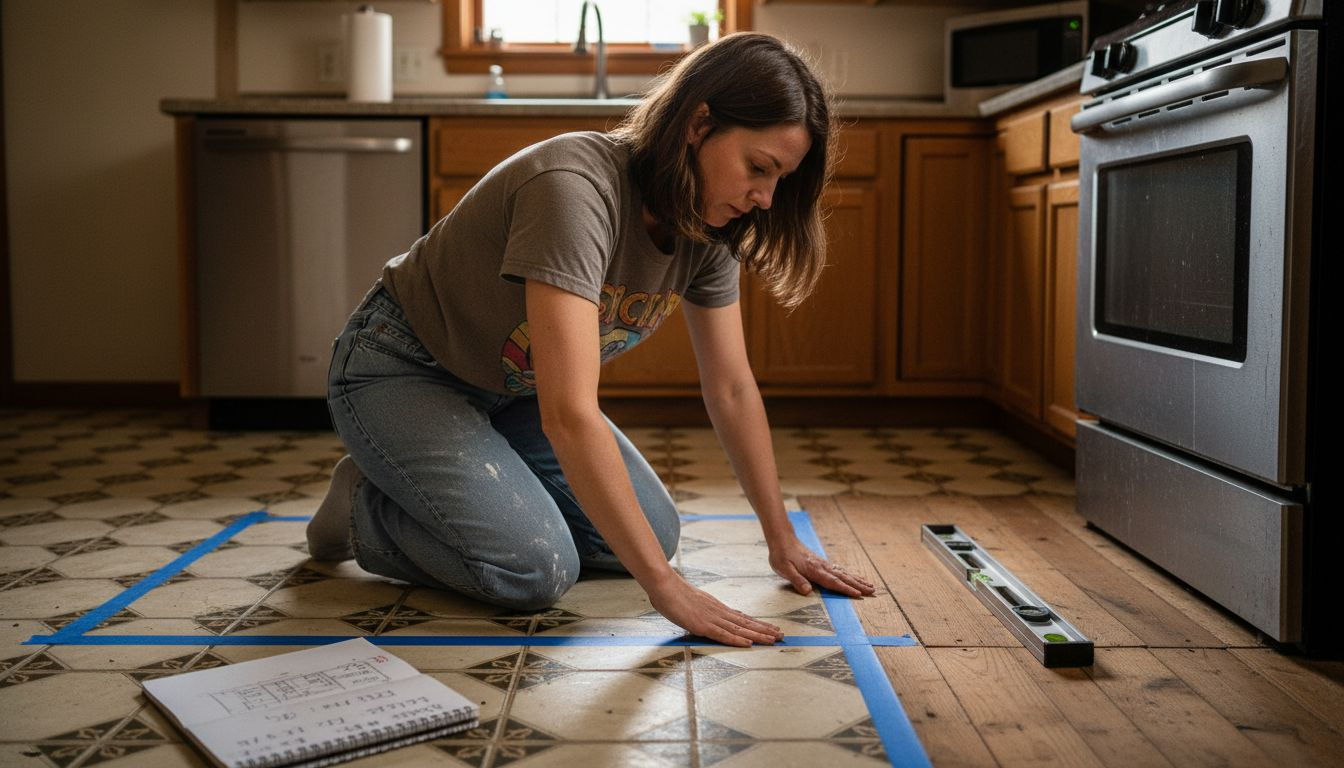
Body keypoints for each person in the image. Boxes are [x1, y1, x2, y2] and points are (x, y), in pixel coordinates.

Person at [307, 32, 876, 648]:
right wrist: (665, 589)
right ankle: (365, 500)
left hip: (510, 393)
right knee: (534, 570)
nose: (765, 198)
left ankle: (455, 480)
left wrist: (780, 536)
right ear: (698, 124)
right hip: (404, 367)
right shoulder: (573, 188)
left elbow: (733, 388)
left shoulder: (709, 222)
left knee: (649, 536)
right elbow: (571, 414)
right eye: (758, 168)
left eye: (780, 180)